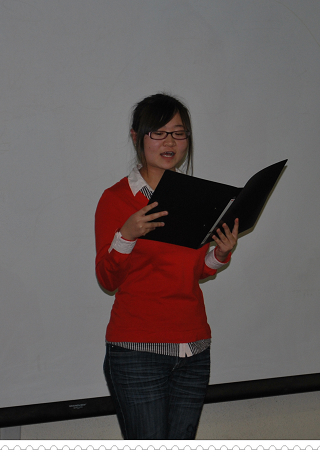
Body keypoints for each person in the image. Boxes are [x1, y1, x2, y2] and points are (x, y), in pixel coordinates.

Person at [94, 93, 238, 439]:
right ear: (136, 137)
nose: (170, 142)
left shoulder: (196, 196)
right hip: (138, 351)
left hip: (194, 348)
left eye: (179, 133)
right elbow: (107, 278)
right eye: (158, 133)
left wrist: (219, 254)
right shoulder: (116, 199)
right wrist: (126, 235)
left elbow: (194, 270)